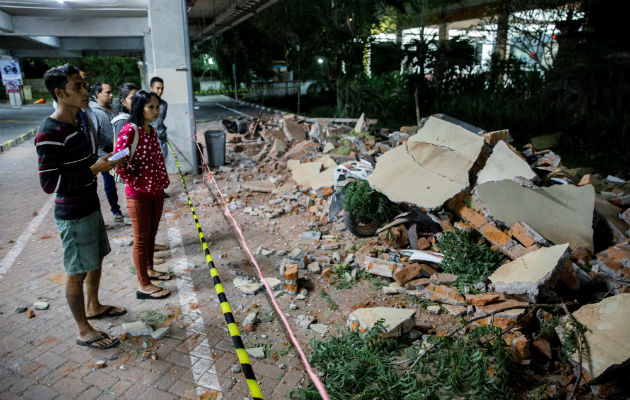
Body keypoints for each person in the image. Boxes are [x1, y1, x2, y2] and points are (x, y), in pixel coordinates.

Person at [35, 64, 127, 349]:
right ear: (60, 92)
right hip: (72, 214)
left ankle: (94, 306)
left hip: (90, 204)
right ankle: (83, 330)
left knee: (95, 259)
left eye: (85, 85)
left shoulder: (83, 119)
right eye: (78, 86)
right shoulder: (48, 132)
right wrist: (93, 170)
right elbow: (50, 183)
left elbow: (89, 159)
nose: (86, 91)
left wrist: (108, 159)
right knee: (77, 269)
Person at [114, 90, 171, 299]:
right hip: (138, 194)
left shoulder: (151, 130)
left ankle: (150, 269)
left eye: (157, 107)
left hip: (156, 191)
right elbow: (118, 159)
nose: (156, 111)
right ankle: (143, 284)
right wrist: (133, 179)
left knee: (151, 235)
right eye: (151, 107)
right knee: (140, 239)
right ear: (140, 108)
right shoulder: (130, 130)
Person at [89, 82, 123, 222]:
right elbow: (95, 136)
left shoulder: (114, 109)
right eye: (107, 92)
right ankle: (115, 210)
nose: (111, 95)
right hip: (105, 156)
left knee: (122, 179)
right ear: (98, 93)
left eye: (111, 92)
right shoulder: (94, 113)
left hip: (119, 153)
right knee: (110, 184)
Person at [149, 77, 168, 162]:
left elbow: (161, 119)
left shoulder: (164, 104)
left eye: (162, 88)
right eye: (158, 88)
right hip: (149, 138)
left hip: (161, 136)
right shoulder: (145, 104)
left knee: (163, 161)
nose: (160, 91)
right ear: (151, 88)